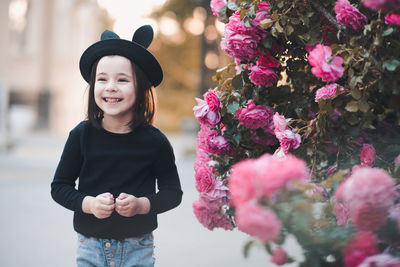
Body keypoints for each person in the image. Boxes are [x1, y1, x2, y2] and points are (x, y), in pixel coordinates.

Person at [51, 25, 183, 267]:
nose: (110, 86)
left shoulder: (155, 142)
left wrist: (142, 205)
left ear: (142, 87)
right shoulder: (81, 135)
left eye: (122, 80)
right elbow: (59, 187)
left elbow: (172, 194)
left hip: (138, 248)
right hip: (90, 247)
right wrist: (88, 204)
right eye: (102, 79)